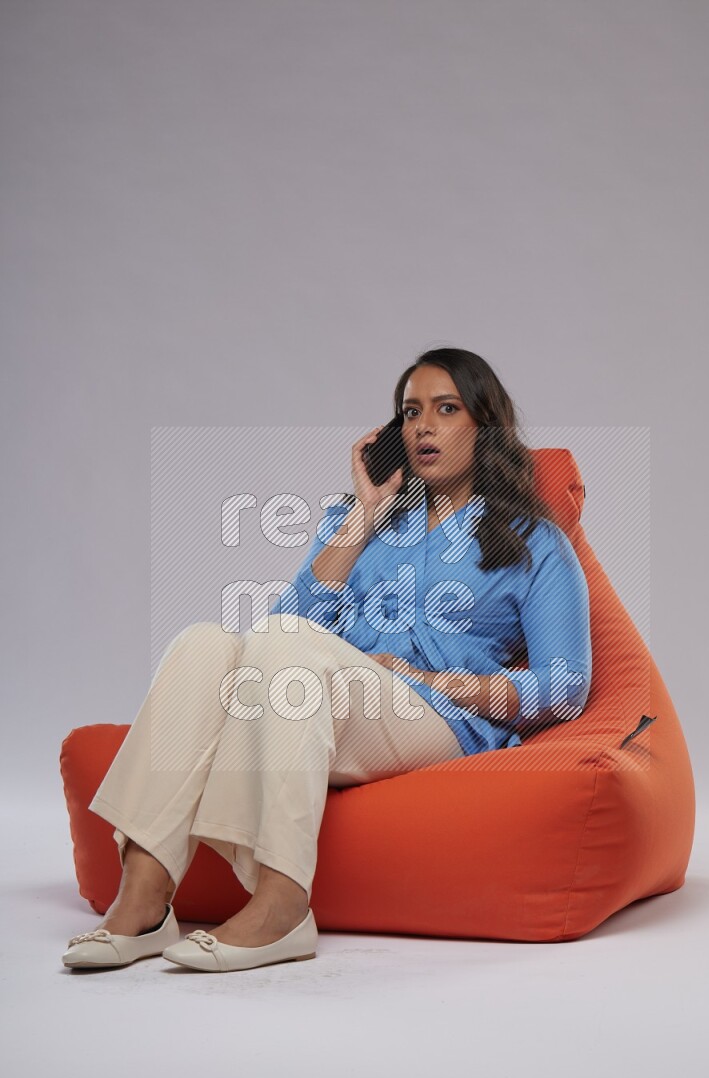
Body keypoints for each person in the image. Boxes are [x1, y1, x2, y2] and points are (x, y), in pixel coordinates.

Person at [62, 346, 593, 973]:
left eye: (446, 410)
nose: (423, 427)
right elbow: (280, 630)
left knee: (286, 652)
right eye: (411, 412)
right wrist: (364, 516)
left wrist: (428, 679)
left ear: (487, 426)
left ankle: (283, 902)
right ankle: (144, 898)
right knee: (203, 643)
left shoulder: (534, 542)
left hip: (438, 718)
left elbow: (565, 686)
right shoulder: (360, 523)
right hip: (327, 701)